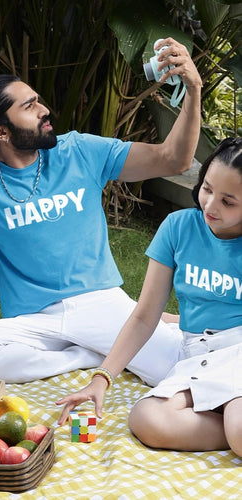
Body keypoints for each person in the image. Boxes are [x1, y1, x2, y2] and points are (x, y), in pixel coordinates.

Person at [0, 38, 202, 386]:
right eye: (30, 107)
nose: (44, 110)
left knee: (177, 368)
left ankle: (106, 343)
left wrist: (193, 89)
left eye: (38, 100)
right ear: (0, 132)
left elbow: (174, 159)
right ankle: (87, 355)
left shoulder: (79, 151)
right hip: (35, 320)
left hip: (98, 303)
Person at [57, 138, 242, 456]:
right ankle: (230, 427)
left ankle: (233, 426)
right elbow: (145, 315)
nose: (210, 206)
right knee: (147, 419)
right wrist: (102, 378)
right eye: (207, 189)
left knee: (239, 429)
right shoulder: (179, 227)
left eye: (229, 201)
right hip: (198, 355)